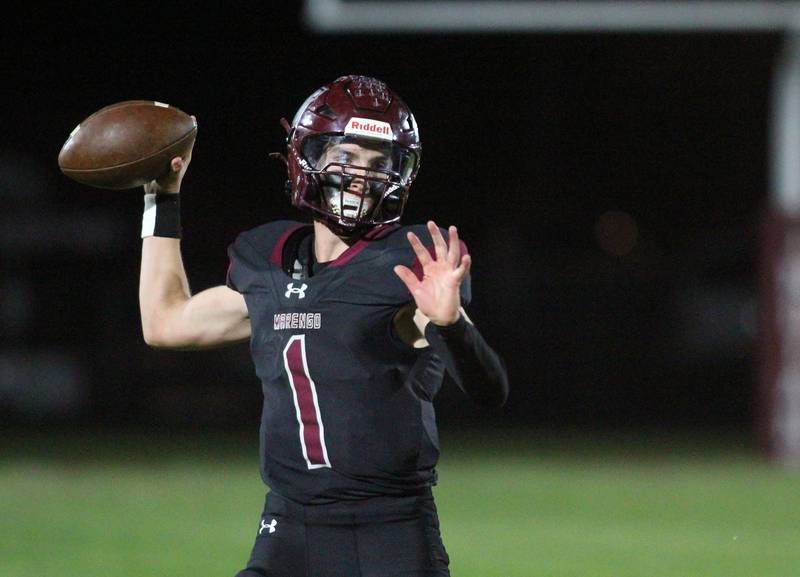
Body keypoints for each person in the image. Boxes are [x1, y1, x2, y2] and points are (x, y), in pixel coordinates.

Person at [139, 75, 509, 577]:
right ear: (305, 156)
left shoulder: (411, 263)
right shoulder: (268, 260)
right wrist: (163, 197)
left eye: (380, 164)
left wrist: (452, 324)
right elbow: (165, 321)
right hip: (288, 527)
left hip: (390, 532)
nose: (362, 177)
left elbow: (490, 392)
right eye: (349, 157)